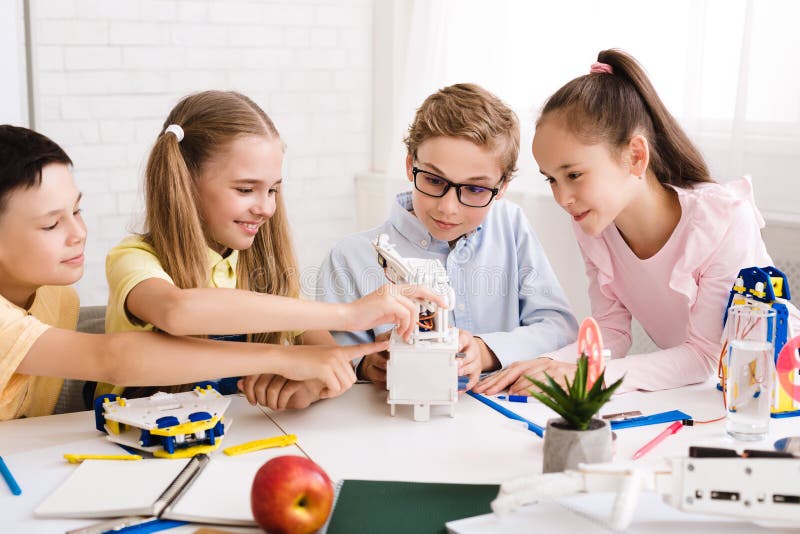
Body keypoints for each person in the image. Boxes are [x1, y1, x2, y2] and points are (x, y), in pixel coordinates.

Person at [0, 124, 393, 421]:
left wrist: (309, 379)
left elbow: (320, 351)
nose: (79, 233)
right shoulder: (135, 259)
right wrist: (341, 319)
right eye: (51, 224)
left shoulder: (57, 297)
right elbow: (129, 346)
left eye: (77, 210)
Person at [96, 91, 444, 402]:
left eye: (273, 190)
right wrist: (349, 314)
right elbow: (178, 312)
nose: (266, 208)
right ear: (185, 183)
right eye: (245, 190)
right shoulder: (134, 258)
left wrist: (308, 387)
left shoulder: (262, 265)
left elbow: (325, 355)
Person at [257, 83, 579, 410]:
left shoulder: (511, 225)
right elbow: (329, 357)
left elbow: (561, 328)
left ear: (503, 186)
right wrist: (367, 364)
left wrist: (485, 350)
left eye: (475, 189)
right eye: (434, 181)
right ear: (410, 165)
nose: (448, 208)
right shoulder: (350, 257)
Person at [474, 49, 772, 396]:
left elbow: (705, 356)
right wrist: (546, 363)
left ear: (636, 156)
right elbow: (611, 331)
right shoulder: (595, 226)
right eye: (551, 179)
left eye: (574, 174)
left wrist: (586, 377)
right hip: (711, 397)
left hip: (776, 389)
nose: (562, 198)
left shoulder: (721, 220)